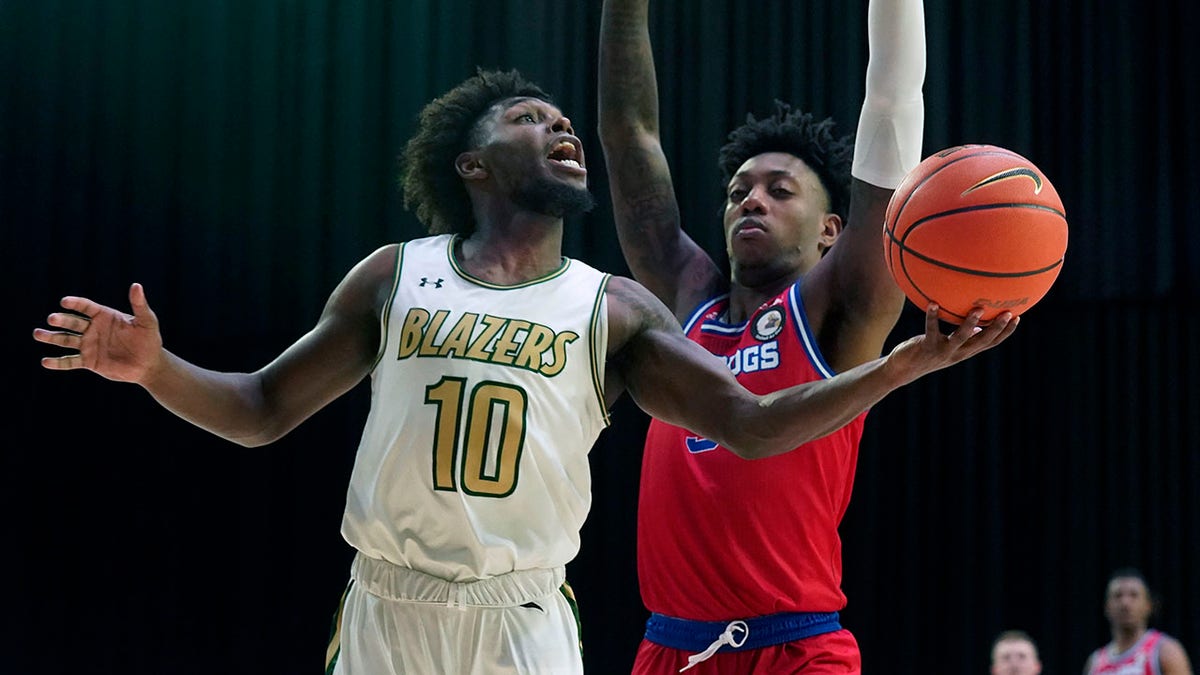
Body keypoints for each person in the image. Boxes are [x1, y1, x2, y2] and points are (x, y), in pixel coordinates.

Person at [34, 68, 1015, 675]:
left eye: (563, 122)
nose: (561, 129)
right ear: (472, 165)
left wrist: (906, 364)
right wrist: (159, 369)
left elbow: (754, 423)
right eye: (531, 118)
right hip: (388, 604)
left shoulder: (614, 307)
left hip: (525, 619)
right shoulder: (396, 276)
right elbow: (259, 410)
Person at [599, 0, 936, 671]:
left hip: (797, 646)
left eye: (780, 190)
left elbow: (892, 105)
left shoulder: (840, 308)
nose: (751, 199)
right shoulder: (685, 300)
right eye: (737, 190)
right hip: (670, 647)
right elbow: (629, 135)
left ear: (830, 230)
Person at [1083, 568, 1193, 675]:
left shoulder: (1165, 651)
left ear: (1148, 605)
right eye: (1118, 596)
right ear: (1106, 607)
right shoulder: (1095, 663)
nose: (1125, 603)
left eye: (1134, 595)